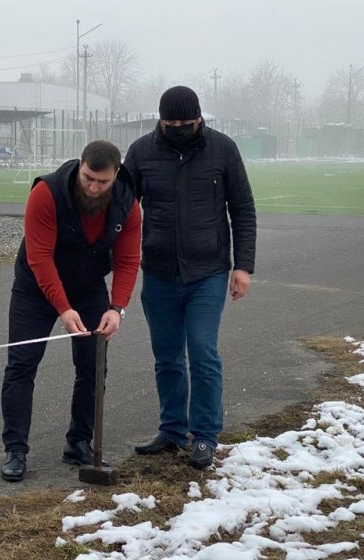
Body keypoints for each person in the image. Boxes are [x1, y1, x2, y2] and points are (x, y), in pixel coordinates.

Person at [123, 86, 257, 470]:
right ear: (161, 120)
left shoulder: (223, 150)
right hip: (160, 271)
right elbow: (122, 206)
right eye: (170, 123)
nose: (178, 128)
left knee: (202, 352)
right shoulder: (142, 152)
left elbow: (243, 209)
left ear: (199, 118)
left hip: (208, 272)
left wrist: (243, 265)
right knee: (167, 357)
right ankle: (172, 430)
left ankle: (205, 436)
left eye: (186, 122)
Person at [0, 140, 141, 482]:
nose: (93, 188)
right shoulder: (46, 193)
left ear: (116, 176)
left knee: (93, 366)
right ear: (80, 165)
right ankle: (15, 449)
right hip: (36, 287)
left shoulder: (128, 205)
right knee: (22, 364)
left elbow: (127, 260)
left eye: (102, 182)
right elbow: (40, 258)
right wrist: (63, 308)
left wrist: (116, 308)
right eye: (88, 177)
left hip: (89, 286)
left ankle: (78, 442)